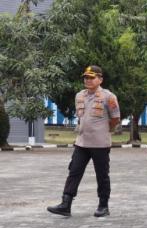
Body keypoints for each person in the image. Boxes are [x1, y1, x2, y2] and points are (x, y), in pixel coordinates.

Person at [47, 65, 120, 217]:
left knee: (102, 175)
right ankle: (66, 204)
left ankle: (103, 205)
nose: (88, 80)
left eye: (91, 77)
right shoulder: (79, 95)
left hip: (100, 143)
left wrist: (106, 130)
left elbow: (115, 118)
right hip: (82, 142)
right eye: (86, 77)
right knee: (74, 171)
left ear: (100, 79)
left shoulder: (109, 96)